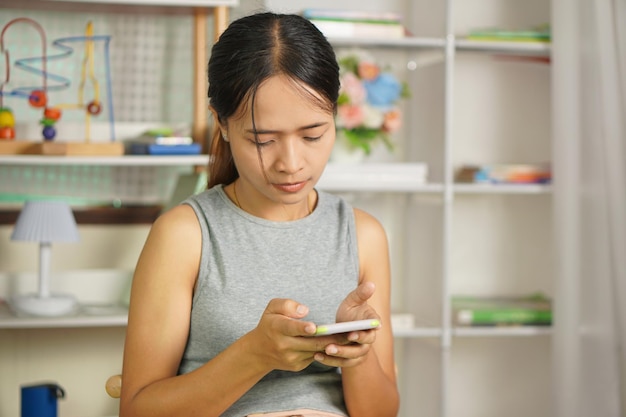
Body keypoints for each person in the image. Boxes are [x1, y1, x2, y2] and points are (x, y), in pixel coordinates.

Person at [119, 11, 399, 417]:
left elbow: (382, 411)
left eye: (313, 135)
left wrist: (356, 354)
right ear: (223, 124)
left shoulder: (362, 234)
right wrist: (255, 354)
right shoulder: (185, 235)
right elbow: (138, 410)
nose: (291, 163)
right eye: (263, 140)